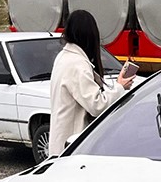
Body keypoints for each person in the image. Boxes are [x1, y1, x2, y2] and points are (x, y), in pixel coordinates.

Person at [48, 10, 135, 157]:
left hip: (61, 143)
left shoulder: (64, 57)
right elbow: (96, 105)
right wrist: (120, 87)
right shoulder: (77, 64)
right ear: (90, 35)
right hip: (72, 147)